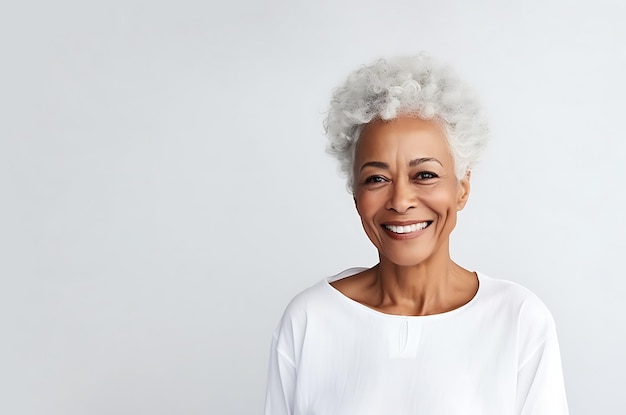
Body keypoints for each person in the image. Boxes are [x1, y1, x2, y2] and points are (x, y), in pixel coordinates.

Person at [264, 53, 569, 415]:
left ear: (462, 188)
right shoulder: (310, 319)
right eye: (376, 178)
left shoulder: (518, 320)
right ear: (356, 194)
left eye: (424, 174)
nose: (400, 200)